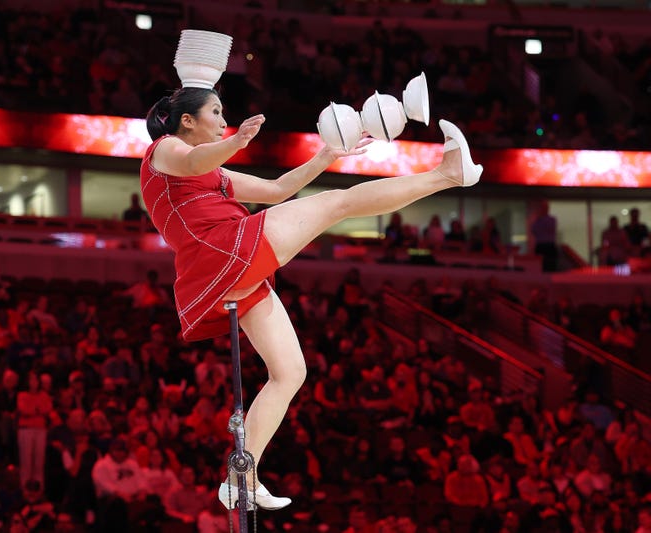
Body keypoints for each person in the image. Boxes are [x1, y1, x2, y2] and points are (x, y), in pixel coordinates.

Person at [141, 81, 482, 510]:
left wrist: (326, 155)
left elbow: (279, 190)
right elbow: (194, 160)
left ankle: (239, 477)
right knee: (337, 204)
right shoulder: (165, 151)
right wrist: (239, 140)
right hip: (225, 248)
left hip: (226, 267)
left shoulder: (214, 172)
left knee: (290, 372)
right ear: (186, 120)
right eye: (216, 113)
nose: (224, 122)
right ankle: (449, 173)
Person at [531, 200, 558, 272]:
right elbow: (534, 231)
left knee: (550, 267)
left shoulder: (552, 220)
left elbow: (549, 229)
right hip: (541, 246)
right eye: (542, 208)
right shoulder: (537, 220)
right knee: (540, 267)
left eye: (545, 207)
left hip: (549, 246)